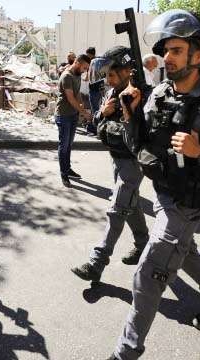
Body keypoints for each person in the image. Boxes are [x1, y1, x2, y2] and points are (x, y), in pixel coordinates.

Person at [105, 10, 200, 360]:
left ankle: (125, 351)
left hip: (189, 201)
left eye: (176, 50)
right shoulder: (160, 93)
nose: (167, 58)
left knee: (148, 273)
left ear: (199, 55)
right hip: (163, 192)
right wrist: (129, 116)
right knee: (185, 251)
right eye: (165, 51)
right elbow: (139, 147)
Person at [70, 46, 149, 282]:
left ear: (127, 72)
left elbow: (138, 137)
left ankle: (97, 263)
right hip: (116, 158)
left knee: (117, 209)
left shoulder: (141, 96)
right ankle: (143, 244)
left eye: (112, 75)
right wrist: (103, 113)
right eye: (107, 76)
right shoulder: (112, 93)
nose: (109, 80)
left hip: (133, 163)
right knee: (130, 205)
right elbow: (95, 124)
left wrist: (127, 113)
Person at [55, 54, 92, 187]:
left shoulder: (77, 75)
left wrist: (82, 106)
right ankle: (63, 174)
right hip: (63, 115)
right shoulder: (66, 76)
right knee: (63, 146)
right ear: (77, 62)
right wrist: (84, 113)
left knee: (69, 145)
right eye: (84, 67)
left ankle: (68, 168)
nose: (84, 71)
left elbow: (77, 94)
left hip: (73, 115)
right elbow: (70, 98)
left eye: (86, 69)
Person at [85, 46, 100, 135]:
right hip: (98, 88)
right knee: (96, 108)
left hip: (94, 89)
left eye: (87, 54)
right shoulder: (98, 62)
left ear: (90, 54)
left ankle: (94, 128)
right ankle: (93, 127)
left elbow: (88, 78)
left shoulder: (92, 63)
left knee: (94, 108)